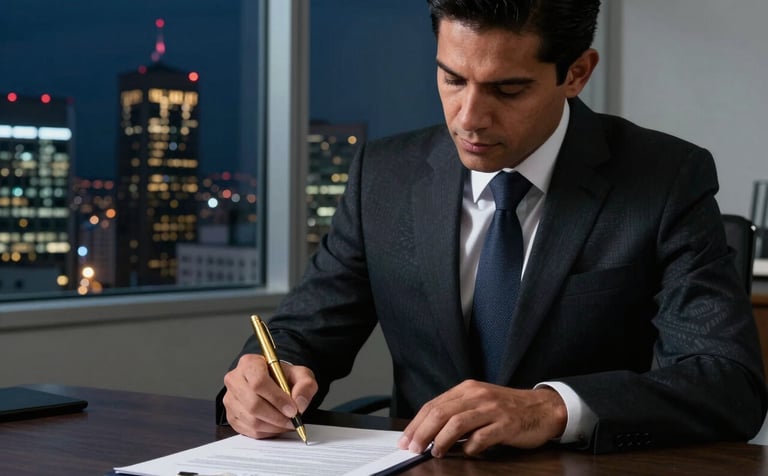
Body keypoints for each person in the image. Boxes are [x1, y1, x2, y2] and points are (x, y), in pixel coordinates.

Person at [218, 0, 767, 456]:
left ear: (577, 73)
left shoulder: (665, 178)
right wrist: (270, 376)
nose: (468, 118)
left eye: (508, 90)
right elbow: (304, 332)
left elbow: (726, 383)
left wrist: (553, 407)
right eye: (452, 78)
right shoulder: (383, 176)